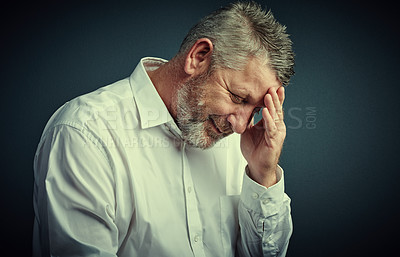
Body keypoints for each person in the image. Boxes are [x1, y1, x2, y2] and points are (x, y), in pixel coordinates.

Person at [33, 1, 295, 256]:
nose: (240, 126)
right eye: (238, 98)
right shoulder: (84, 134)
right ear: (199, 56)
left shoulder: (241, 143)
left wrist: (262, 176)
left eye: (256, 110)